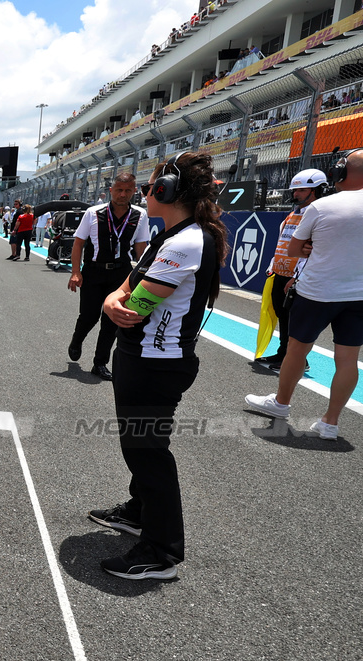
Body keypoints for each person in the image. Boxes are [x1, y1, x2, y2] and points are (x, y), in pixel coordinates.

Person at [94, 151, 228, 581]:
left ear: (168, 191)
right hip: (145, 358)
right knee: (141, 448)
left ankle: (161, 551)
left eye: (151, 187)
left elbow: (132, 305)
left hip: (155, 363)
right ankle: (138, 511)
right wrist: (110, 299)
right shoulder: (169, 236)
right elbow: (122, 290)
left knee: (147, 452)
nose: (145, 194)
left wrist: (114, 301)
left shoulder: (185, 241)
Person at [245, 149, 363, 439]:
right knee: (347, 359)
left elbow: (294, 249)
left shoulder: (323, 206)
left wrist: (312, 246)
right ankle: (330, 422)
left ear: (342, 172)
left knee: (297, 348)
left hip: (318, 290)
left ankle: (281, 404)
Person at [68, 173, 150, 380]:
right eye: (119, 189)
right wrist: (76, 272)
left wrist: (144, 278)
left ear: (134, 191)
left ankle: (100, 363)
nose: (123, 194)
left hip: (121, 274)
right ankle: (77, 340)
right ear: (111, 190)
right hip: (93, 271)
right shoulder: (93, 212)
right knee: (89, 316)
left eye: (128, 190)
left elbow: (141, 249)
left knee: (112, 321)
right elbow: (78, 243)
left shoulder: (140, 215)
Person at [254, 169, 327, 374]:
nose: (296, 194)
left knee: (294, 318)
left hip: (296, 277)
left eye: (302, 190)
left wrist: (297, 277)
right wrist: (273, 267)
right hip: (280, 273)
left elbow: (313, 250)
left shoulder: (318, 214)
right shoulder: (293, 213)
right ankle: (283, 352)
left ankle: (298, 360)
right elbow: (282, 242)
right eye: (295, 190)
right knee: (281, 314)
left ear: (318, 190)